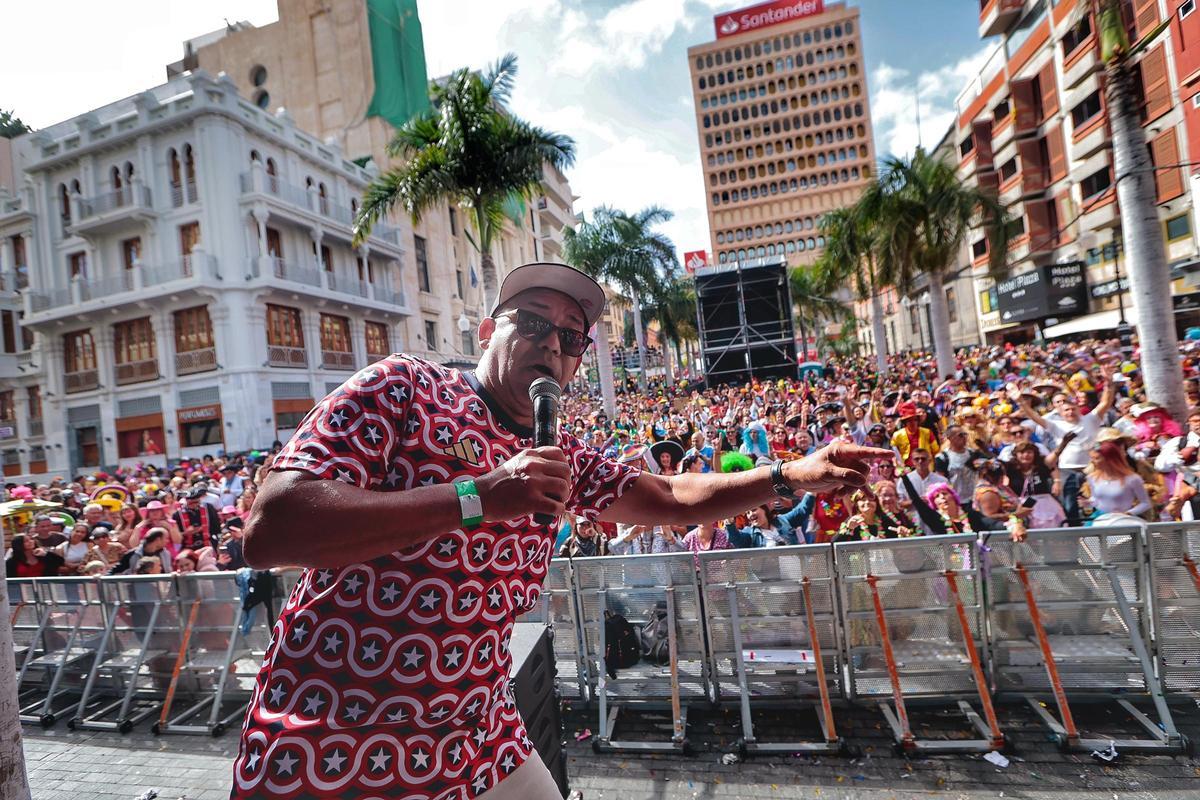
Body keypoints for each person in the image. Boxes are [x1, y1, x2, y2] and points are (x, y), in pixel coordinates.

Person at [232, 262, 887, 800]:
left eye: (572, 337)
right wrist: (478, 497)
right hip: (341, 731)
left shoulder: (563, 456)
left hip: (477, 729)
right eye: (534, 322)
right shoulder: (405, 388)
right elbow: (273, 526)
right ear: (487, 329)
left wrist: (791, 476)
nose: (552, 342)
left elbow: (669, 496)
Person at [1012, 379, 1115, 525]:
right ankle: (1074, 531)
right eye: (1066, 410)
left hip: (1091, 468)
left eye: (1073, 408)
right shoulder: (1056, 425)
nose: (1070, 411)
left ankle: (1098, 526)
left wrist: (1108, 384)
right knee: (1069, 504)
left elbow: (1105, 403)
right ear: (1060, 413)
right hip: (1066, 470)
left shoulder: (1090, 419)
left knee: (1096, 500)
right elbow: (1034, 416)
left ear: (1078, 409)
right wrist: (1020, 401)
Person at [1084, 437, 1153, 519]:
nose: (1093, 461)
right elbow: (1096, 499)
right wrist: (1088, 502)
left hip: (1122, 519)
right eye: (1092, 458)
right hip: (1100, 518)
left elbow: (1145, 503)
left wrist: (1128, 513)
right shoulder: (1092, 477)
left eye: (1097, 458)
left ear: (1110, 460)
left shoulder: (1132, 479)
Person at [891, 402, 939, 467]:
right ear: (905, 422)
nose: (913, 422)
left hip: (925, 468)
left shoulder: (927, 432)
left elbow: (936, 450)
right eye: (909, 420)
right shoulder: (897, 435)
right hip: (906, 469)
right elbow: (894, 453)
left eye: (915, 420)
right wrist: (899, 466)